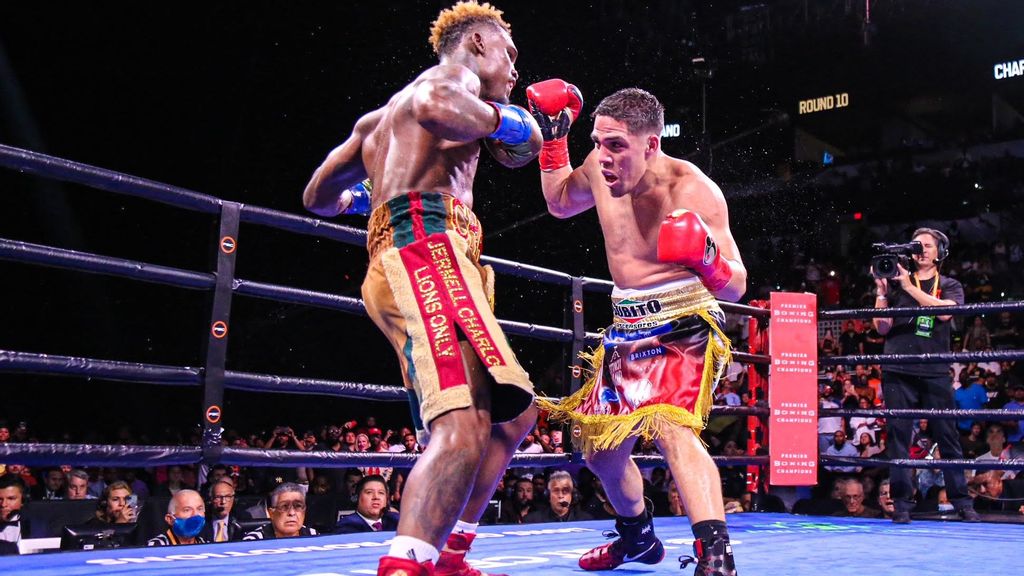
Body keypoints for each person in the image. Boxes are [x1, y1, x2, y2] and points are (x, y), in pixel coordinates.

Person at [301, 3, 541, 574]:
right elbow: (439, 107)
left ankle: (449, 552)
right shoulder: (448, 80)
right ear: (478, 43)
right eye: (509, 55)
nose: (514, 72)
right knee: (463, 419)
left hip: (418, 253)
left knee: (513, 417)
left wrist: (365, 198)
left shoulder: (376, 121)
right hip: (426, 249)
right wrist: (517, 123)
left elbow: (316, 196)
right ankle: (407, 563)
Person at [533, 85, 744, 575]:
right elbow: (561, 203)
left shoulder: (692, 190)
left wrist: (706, 258)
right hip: (626, 327)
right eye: (598, 142)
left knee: (671, 427)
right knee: (600, 455)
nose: (603, 157)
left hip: (684, 320)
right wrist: (553, 143)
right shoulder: (597, 165)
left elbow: (737, 284)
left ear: (651, 145)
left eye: (616, 146)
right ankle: (638, 537)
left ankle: (716, 556)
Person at [872, 227, 979, 523]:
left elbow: (946, 314)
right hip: (898, 367)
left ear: (940, 252)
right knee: (898, 438)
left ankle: (962, 502)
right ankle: (902, 505)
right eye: (917, 245)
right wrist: (882, 293)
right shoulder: (895, 285)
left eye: (928, 246)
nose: (922, 250)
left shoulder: (950, 284)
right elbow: (881, 328)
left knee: (947, 436)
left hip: (934, 370)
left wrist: (907, 286)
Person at [241, 483, 318, 540]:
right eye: (284, 506)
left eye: (298, 506)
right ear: (271, 513)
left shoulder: (313, 535)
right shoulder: (254, 540)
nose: (292, 513)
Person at [336, 475, 400, 534]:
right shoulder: (347, 526)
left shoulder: (395, 520)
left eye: (381, 493)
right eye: (369, 492)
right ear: (357, 497)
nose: (376, 497)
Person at [523, 471, 592, 523]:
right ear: (548, 495)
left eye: (565, 491)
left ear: (572, 495)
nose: (560, 496)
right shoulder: (532, 520)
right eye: (556, 491)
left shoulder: (585, 520)